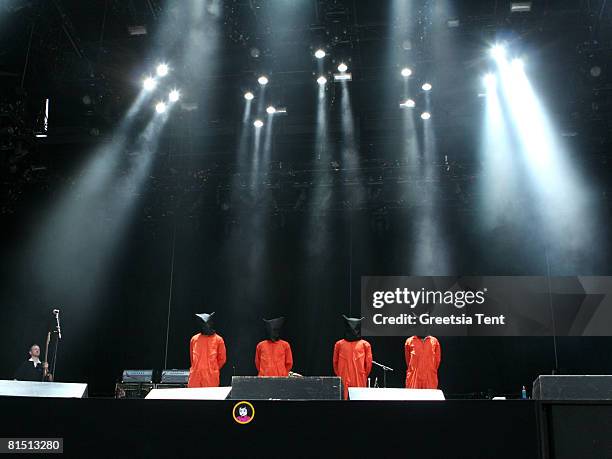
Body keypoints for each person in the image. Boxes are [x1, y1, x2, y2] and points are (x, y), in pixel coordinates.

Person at [333, 315, 372, 399]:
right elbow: (368, 365)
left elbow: (335, 363)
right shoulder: (365, 344)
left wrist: (339, 374)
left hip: (346, 376)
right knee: (357, 400)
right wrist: (363, 374)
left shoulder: (339, 344)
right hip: (357, 377)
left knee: (348, 399)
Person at [188, 312, 227, 388]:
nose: (204, 326)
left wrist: (212, 369)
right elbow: (192, 358)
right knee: (193, 398)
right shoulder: (194, 339)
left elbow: (222, 359)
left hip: (210, 378)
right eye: (202, 324)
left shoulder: (218, 340)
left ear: (211, 323)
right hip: (195, 377)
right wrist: (196, 369)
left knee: (210, 398)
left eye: (206, 323)